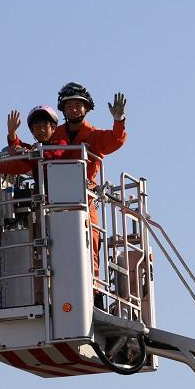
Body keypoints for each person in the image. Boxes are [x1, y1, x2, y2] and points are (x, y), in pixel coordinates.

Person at [50, 82, 127, 283]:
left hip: (85, 198)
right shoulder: (55, 134)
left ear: (86, 108)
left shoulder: (93, 135)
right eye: (69, 105)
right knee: (53, 242)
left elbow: (115, 140)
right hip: (55, 200)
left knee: (90, 240)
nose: (73, 109)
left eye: (77, 105)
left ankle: (92, 289)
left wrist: (118, 120)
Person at [0, 105, 65, 175]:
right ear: (32, 131)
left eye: (45, 125)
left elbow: (48, 157)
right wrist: (12, 132)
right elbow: (19, 146)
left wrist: (26, 153)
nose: (41, 130)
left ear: (53, 128)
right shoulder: (34, 149)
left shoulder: (61, 144)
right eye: (37, 127)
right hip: (41, 185)